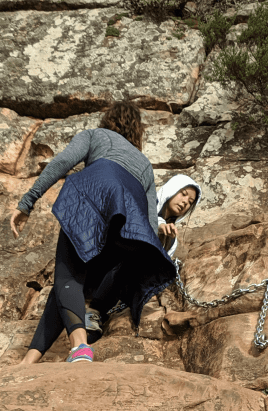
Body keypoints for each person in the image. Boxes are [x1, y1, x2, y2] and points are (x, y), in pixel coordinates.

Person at [10, 103, 176, 365]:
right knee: (67, 287)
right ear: (137, 131)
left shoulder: (96, 135)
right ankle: (29, 360)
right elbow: (148, 217)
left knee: (68, 275)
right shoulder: (144, 164)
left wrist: (27, 201)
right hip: (126, 223)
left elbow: (63, 162)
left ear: (108, 120)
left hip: (94, 195)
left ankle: (80, 346)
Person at [84, 175, 202, 336]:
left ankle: (101, 313)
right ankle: (95, 309)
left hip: (126, 284)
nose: (185, 202)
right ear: (172, 189)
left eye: (190, 202)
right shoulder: (145, 203)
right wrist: (158, 227)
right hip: (104, 266)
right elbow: (134, 226)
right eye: (183, 193)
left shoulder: (172, 236)